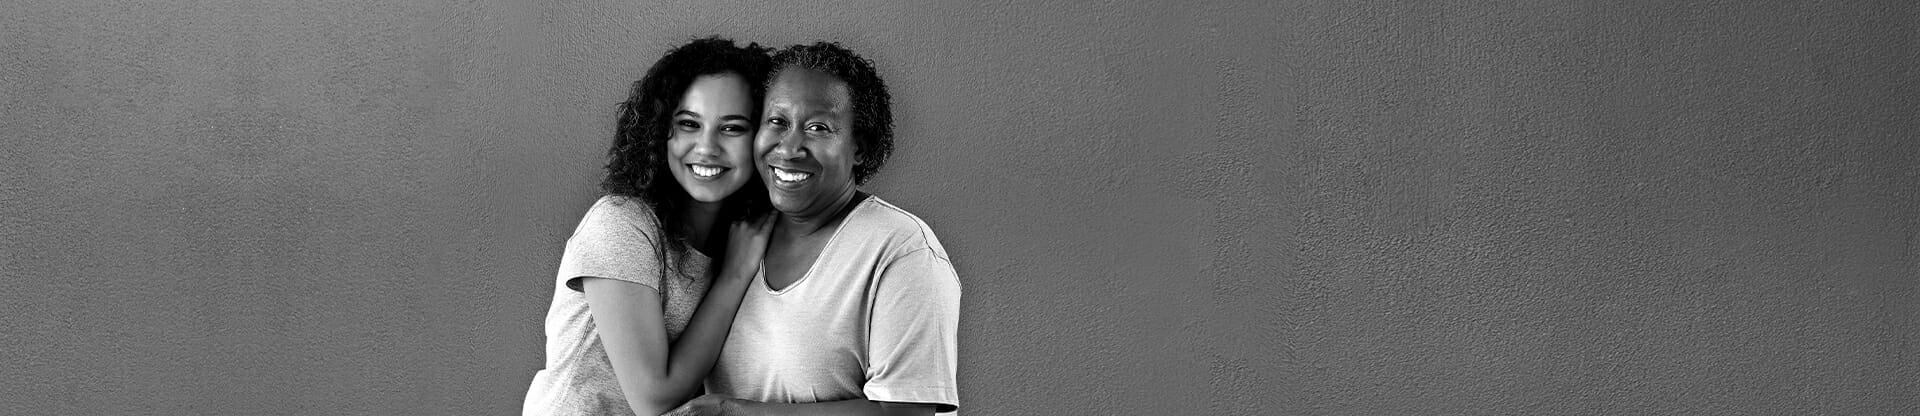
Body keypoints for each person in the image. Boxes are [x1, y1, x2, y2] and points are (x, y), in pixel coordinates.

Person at [668, 42, 961, 416]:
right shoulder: (736, 235)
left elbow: (905, 414)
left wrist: (734, 412)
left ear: (859, 147)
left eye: (818, 128)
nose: (789, 148)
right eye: (777, 122)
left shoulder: (901, 251)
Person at [524, 37, 775, 416]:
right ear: (661, 132)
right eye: (689, 124)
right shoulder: (621, 224)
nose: (706, 147)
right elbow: (653, 399)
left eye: (732, 128)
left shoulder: (737, 233)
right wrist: (735, 274)